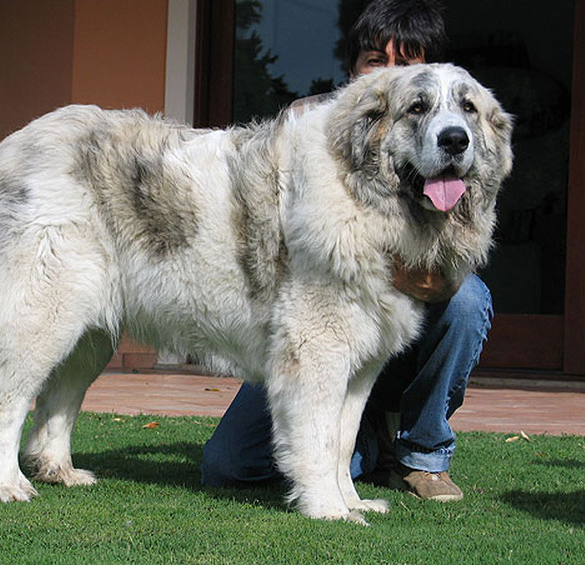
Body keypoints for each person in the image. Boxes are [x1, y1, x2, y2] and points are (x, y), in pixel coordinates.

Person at [201, 0, 492, 502]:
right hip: (315, 318)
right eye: (376, 60)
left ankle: (420, 452)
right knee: (229, 467)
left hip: (394, 327)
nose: (392, 73)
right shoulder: (309, 119)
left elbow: (439, 278)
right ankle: (365, 440)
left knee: (466, 300)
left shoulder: (450, 134)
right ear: (353, 65)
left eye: (409, 62)